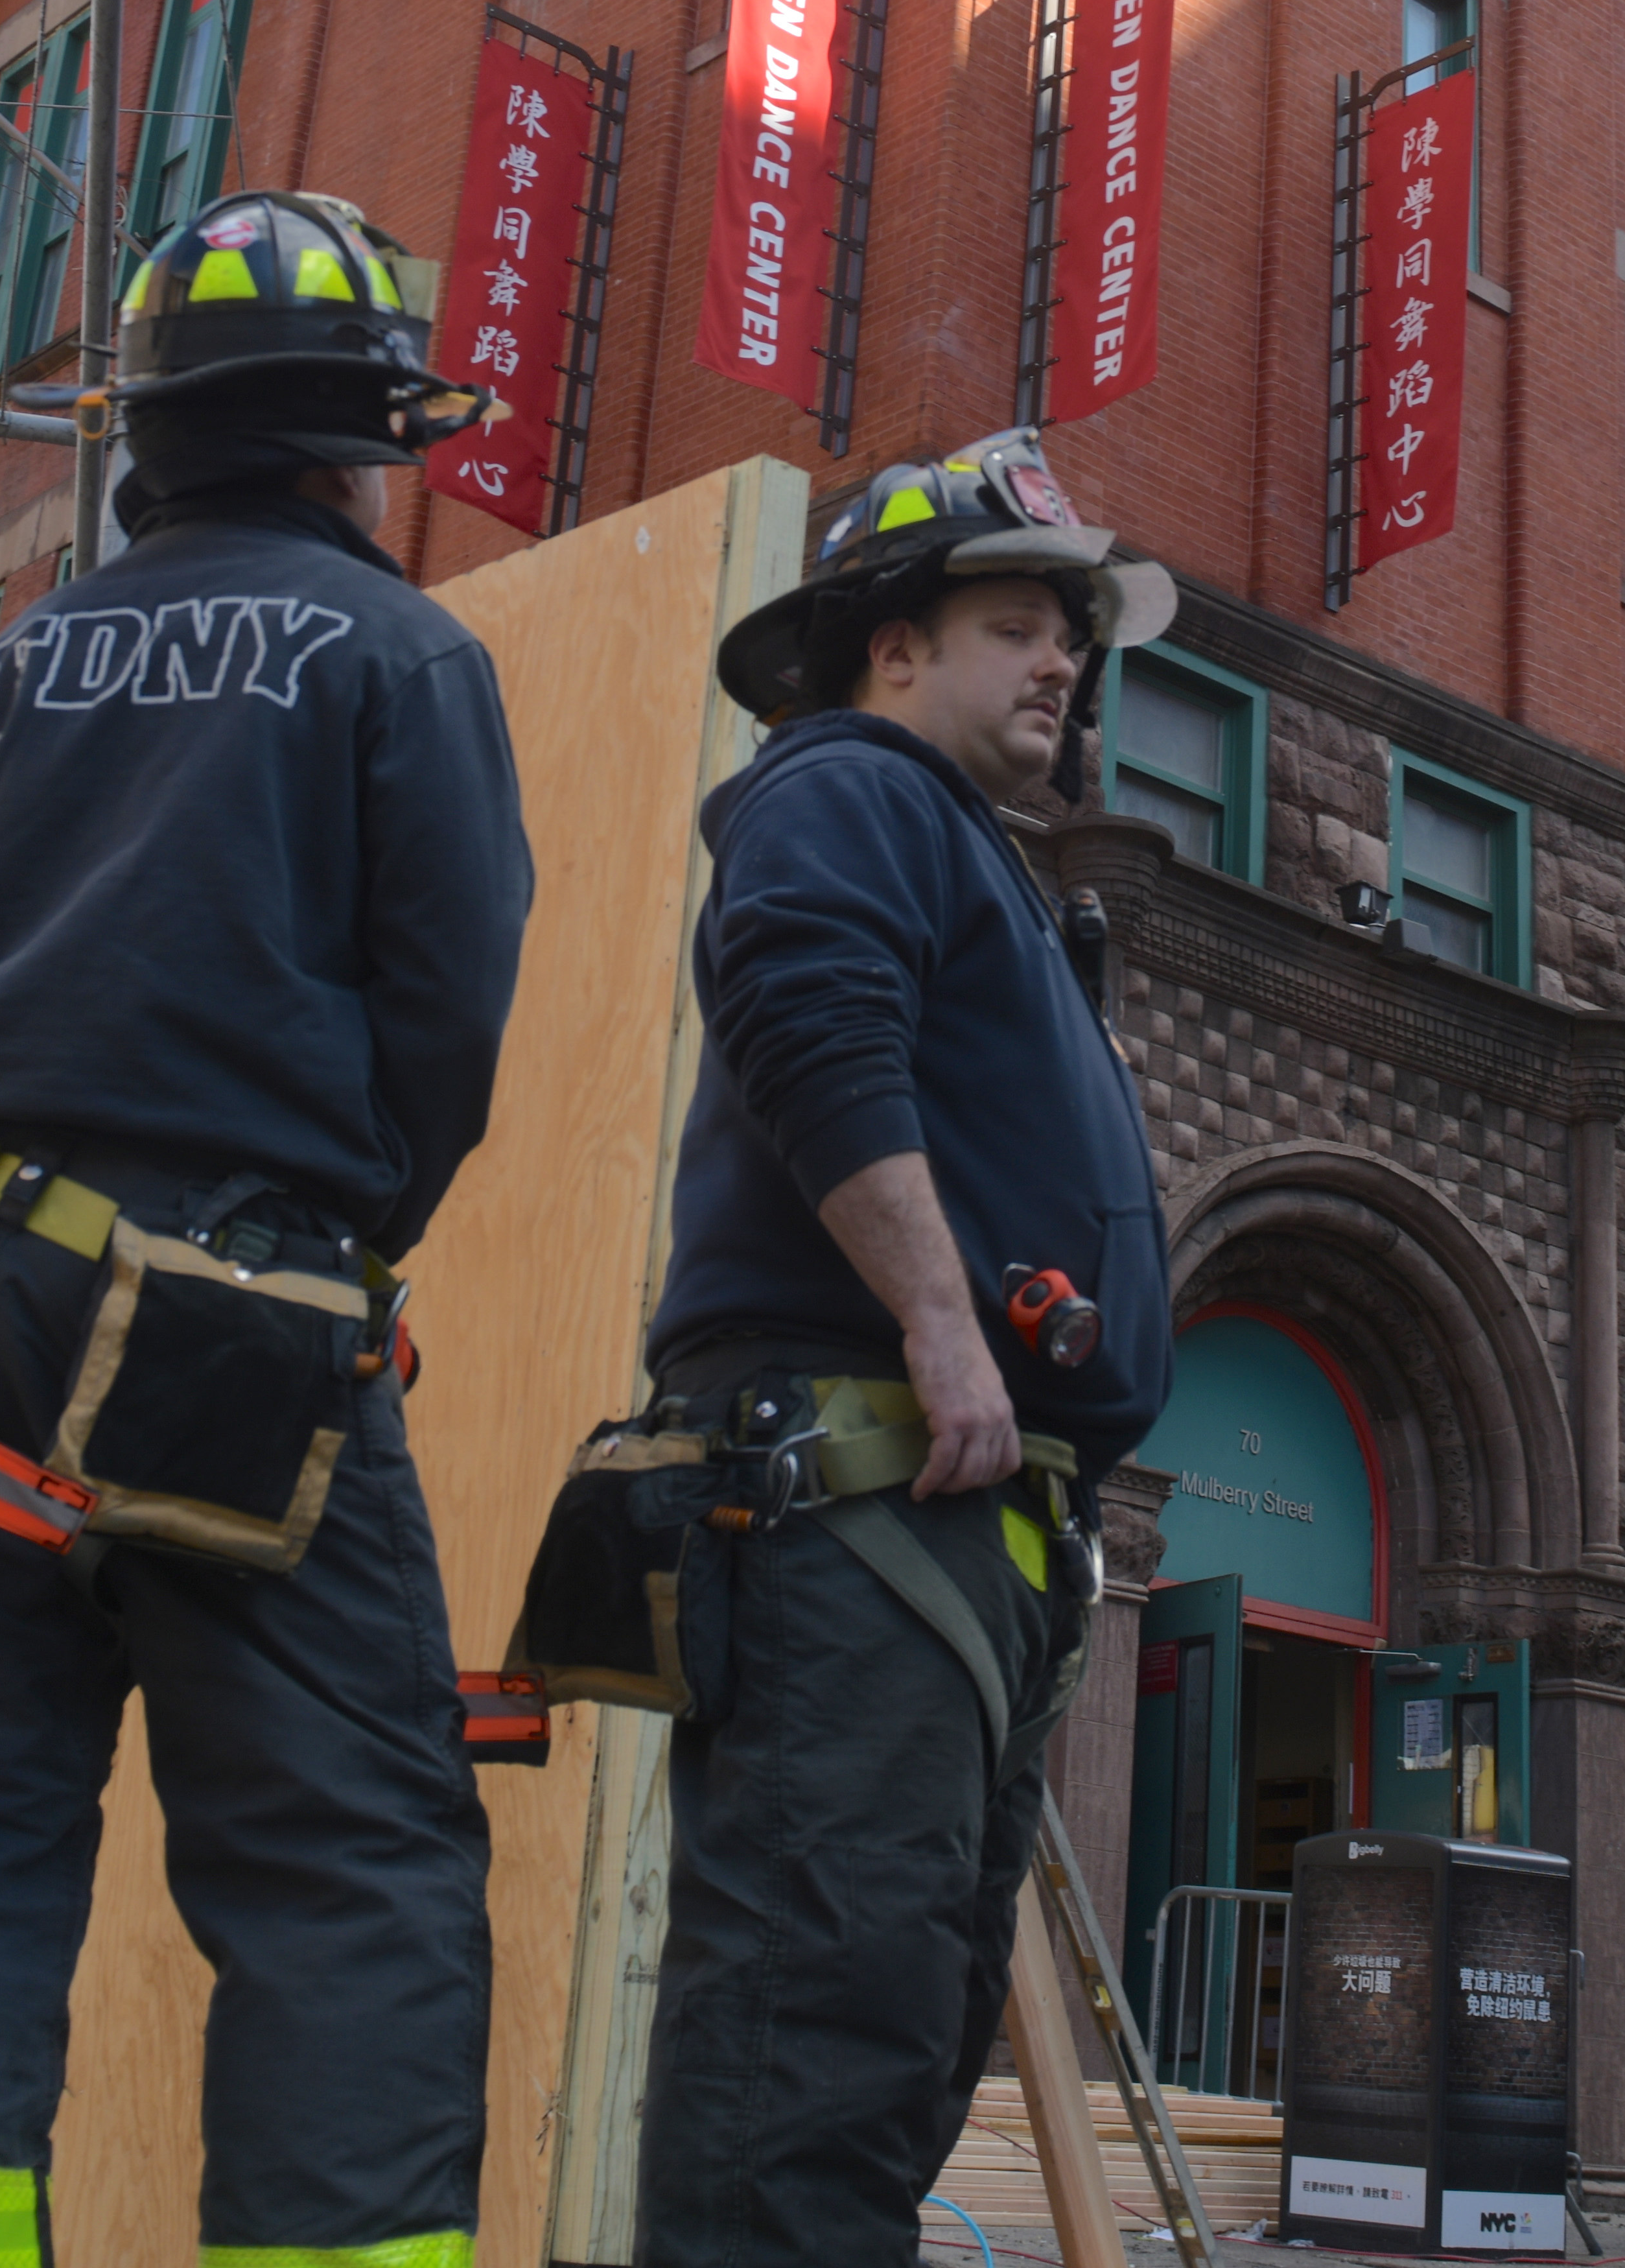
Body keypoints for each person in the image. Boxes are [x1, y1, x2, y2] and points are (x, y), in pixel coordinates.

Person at [0, 189, 536, 2268]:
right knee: (341, 1851)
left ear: (149, 430)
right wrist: (315, 1248)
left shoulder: (5, 673)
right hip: (224, 1305)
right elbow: (445, 1017)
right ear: (359, 437)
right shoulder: (403, 651)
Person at [627, 431, 1180, 2267]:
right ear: (888, 649)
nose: (1059, 667)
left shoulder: (966, 850)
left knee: (894, 2025)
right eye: (1018, 625)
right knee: (816, 2008)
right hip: (856, 1481)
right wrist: (946, 1325)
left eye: (1073, 644)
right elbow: (802, 1007)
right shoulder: (846, 786)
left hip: (951, 1517)